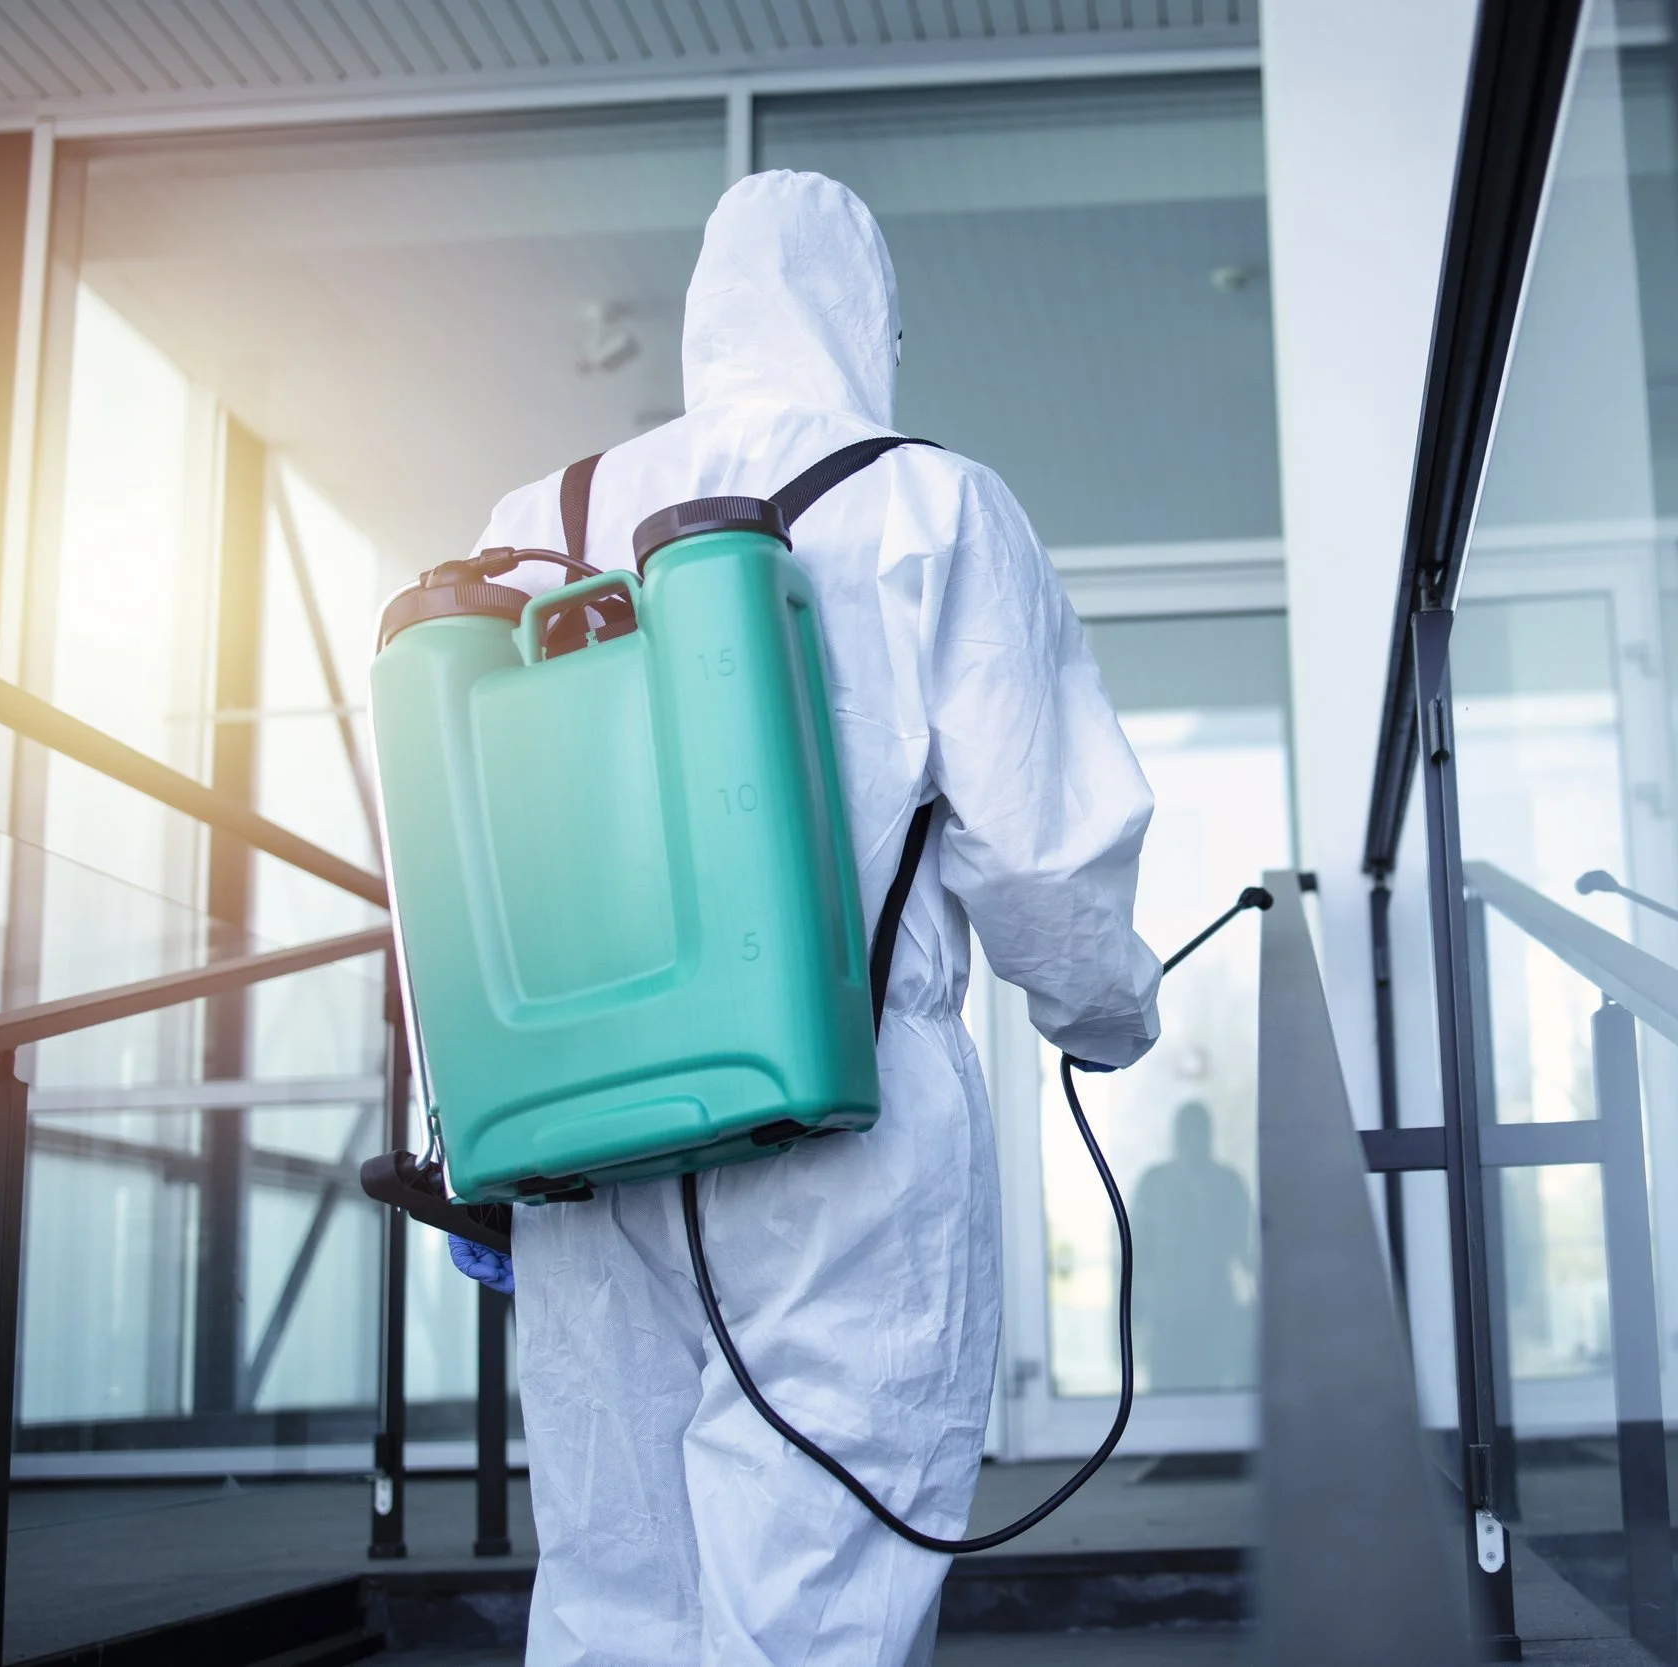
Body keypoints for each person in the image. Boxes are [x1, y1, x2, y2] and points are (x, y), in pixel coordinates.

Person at [452, 170, 1162, 1666]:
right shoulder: (930, 499)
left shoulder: (538, 517)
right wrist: (1109, 1016)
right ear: (866, 321)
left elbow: (455, 845)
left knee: (610, 1579)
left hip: (582, 1126)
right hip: (843, 1115)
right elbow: (1043, 851)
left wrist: (471, 1124)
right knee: (816, 1587)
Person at [1129, 1100, 1254, 1392]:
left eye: (1200, 1132)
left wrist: (1255, 1311)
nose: (1194, 1140)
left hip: (1214, 1313)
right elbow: (1136, 1253)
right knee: (1167, 1400)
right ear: (1177, 1136)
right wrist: (1136, 1312)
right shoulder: (1154, 1183)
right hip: (1168, 1316)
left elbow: (1247, 1250)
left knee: (1212, 1398)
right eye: (1188, 1132)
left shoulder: (1228, 1183)